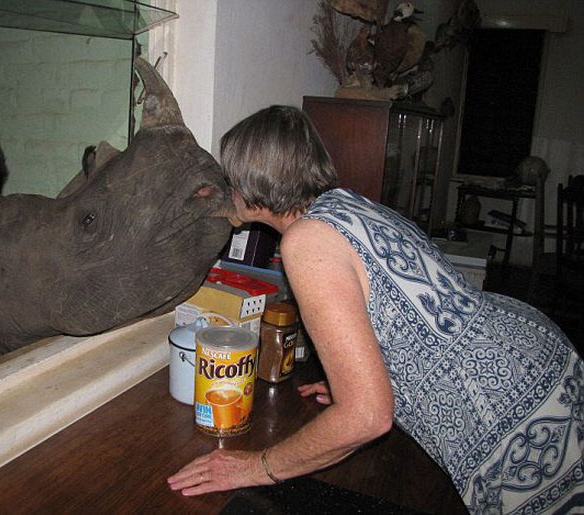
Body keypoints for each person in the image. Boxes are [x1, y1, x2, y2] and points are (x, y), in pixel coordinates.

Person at [167, 105, 584, 514]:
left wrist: (256, 467)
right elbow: (408, 310)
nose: (229, 185)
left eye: (231, 174)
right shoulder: (347, 204)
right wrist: (372, 379)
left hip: (504, 403)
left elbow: (366, 418)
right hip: (535, 353)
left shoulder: (306, 241)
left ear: (252, 179)